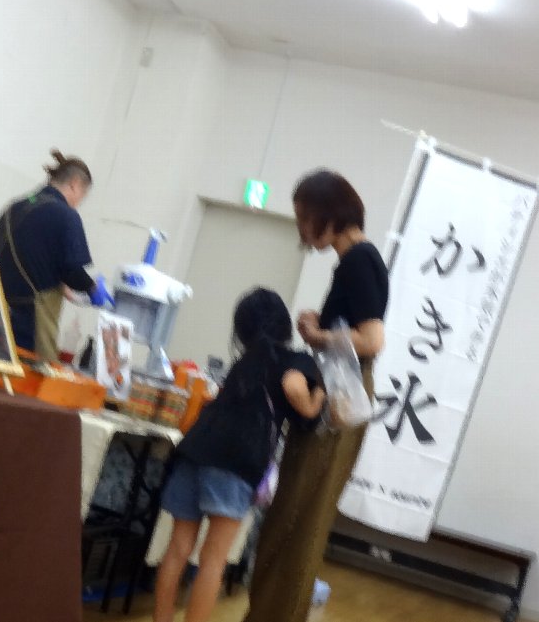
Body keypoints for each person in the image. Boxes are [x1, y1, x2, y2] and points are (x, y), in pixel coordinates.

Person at [244, 169, 389, 622]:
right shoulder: (357, 260)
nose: (302, 231)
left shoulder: (359, 261)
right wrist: (321, 329)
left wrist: (318, 335)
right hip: (339, 394)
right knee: (297, 515)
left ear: (330, 214)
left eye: (305, 219)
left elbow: (372, 340)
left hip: (340, 397)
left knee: (297, 517)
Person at [154, 288, 326, 622]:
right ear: (283, 325)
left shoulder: (243, 364)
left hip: (195, 450)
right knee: (213, 559)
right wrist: (317, 397)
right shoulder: (295, 360)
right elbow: (295, 389)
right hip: (235, 463)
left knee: (177, 549)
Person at [0, 149, 109, 362]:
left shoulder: (12, 209)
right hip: (32, 325)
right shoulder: (66, 215)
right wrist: (92, 288)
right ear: (74, 184)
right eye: (82, 196)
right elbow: (71, 270)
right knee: (34, 374)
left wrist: (64, 288)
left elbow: (34, 260)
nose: (78, 203)